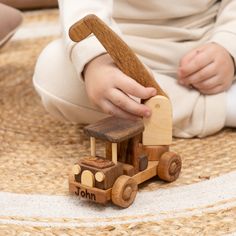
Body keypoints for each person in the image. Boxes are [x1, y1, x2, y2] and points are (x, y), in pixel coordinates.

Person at [33, 0, 236, 138]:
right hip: (122, 51)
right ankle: (221, 106)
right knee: (52, 71)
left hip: (207, 38)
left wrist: (228, 46)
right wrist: (95, 60)